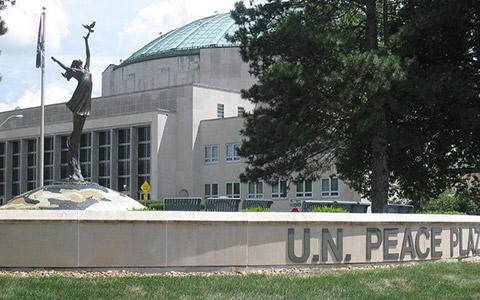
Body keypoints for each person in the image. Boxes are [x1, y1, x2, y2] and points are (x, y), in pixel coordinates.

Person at [52, 30, 93, 181]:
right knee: (75, 135)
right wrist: (57, 62)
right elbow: (67, 69)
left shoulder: (87, 70)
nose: (82, 63)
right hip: (78, 105)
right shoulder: (77, 72)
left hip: (86, 105)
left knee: (77, 135)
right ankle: (73, 168)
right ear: (77, 66)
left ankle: (76, 168)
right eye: (79, 63)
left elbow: (89, 55)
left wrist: (86, 40)